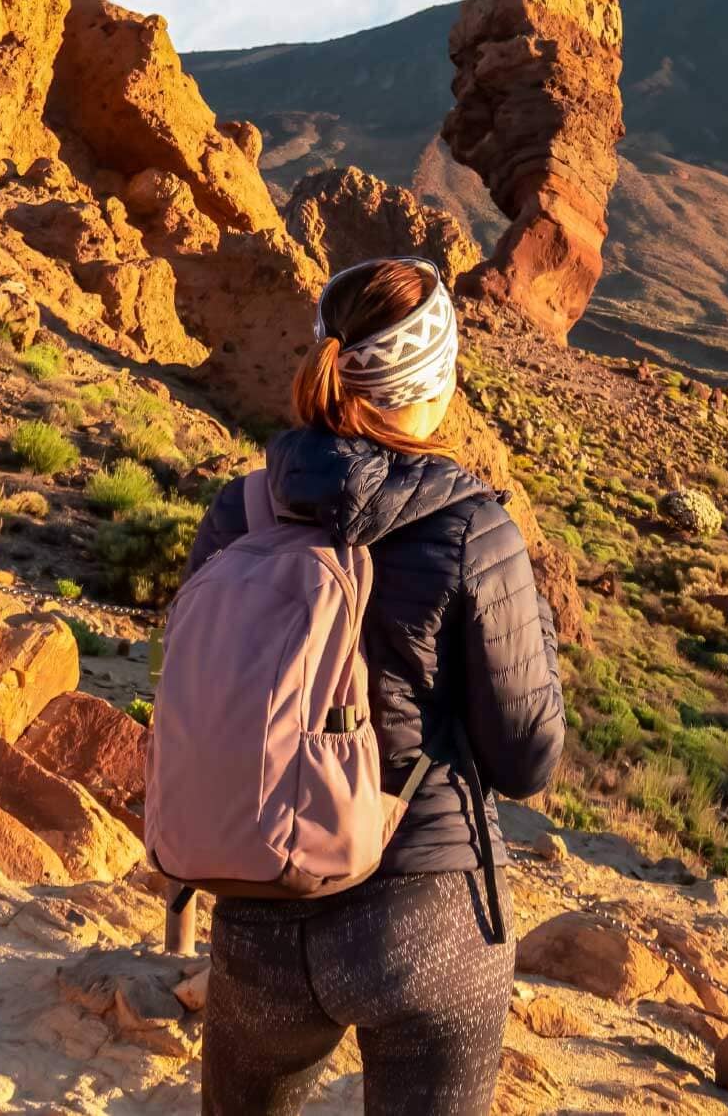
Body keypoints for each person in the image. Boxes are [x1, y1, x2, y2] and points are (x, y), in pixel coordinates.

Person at [190, 256, 564, 1116]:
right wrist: (529, 618)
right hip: (421, 908)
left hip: (257, 894)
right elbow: (525, 757)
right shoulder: (471, 523)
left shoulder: (241, 510)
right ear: (437, 378)